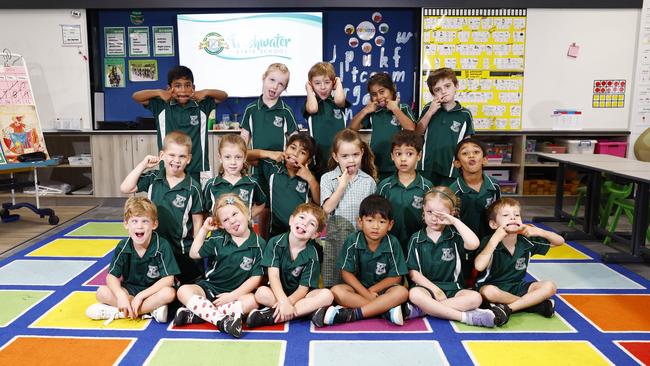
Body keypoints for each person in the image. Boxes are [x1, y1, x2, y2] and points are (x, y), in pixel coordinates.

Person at [173, 194, 265, 338]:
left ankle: (199, 314)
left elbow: (256, 278)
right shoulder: (218, 238)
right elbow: (194, 253)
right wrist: (204, 229)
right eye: (226, 220)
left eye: (235, 214)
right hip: (210, 288)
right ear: (221, 225)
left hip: (237, 293)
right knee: (183, 291)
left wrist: (232, 296)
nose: (232, 220)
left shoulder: (260, 245)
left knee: (252, 302)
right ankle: (222, 321)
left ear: (246, 213)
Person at [403, 187, 495, 328]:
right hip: (427, 289)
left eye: (441, 214)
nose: (434, 218)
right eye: (429, 212)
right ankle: (465, 317)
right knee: (414, 294)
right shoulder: (416, 238)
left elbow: (474, 243)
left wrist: (454, 221)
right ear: (423, 210)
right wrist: (436, 290)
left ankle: (422, 310)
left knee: (475, 298)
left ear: (452, 214)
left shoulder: (455, 236)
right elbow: (413, 273)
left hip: (454, 289)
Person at [120, 131, 204, 284]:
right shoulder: (153, 178)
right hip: (154, 247)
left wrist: (196, 248)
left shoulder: (193, 187)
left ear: (189, 159)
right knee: (154, 284)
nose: (176, 161)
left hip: (182, 250)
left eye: (182, 156)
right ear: (162, 155)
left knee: (190, 286)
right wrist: (143, 165)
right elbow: (126, 187)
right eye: (171, 155)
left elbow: (197, 221)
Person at [315, 195, 409, 326]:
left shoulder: (392, 243)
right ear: (360, 222)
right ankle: (384, 311)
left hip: (383, 291)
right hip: (358, 290)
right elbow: (346, 273)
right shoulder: (353, 240)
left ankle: (354, 314)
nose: (375, 226)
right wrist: (365, 293)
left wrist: (372, 291)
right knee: (336, 291)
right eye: (370, 220)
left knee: (402, 292)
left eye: (382, 222)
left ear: (390, 225)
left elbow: (396, 277)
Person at [86, 197, 178, 324]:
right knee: (101, 292)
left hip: (152, 292)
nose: (139, 226)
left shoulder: (162, 246)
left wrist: (141, 296)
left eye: (145, 221)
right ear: (126, 224)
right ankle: (149, 310)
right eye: (134, 221)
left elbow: (168, 279)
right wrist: (120, 295)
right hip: (129, 290)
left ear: (154, 224)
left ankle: (120, 312)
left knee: (169, 293)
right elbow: (111, 276)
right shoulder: (123, 246)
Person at [475, 198, 565, 326]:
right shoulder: (489, 241)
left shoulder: (526, 241)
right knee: (488, 292)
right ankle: (534, 305)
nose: (512, 218)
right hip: (494, 288)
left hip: (518, 287)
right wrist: (495, 240)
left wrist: (540, 231)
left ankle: (509, 308)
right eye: (506, 215)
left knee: (550, 286)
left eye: (516, 215)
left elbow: (559, 242)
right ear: (494, 224)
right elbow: (479, 266)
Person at [132, 65, 227, 184]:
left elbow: (223, 96)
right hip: (169, 165)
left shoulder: (202, 105)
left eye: (187, 85)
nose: (183, 90)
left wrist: (205, 92)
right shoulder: (162, 105)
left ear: (193, 88)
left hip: (196, 166)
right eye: (177, 86)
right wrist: (159, 93)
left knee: (195, 199)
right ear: (169, 88)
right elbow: (136, 97)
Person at [247, 203, 333, 328]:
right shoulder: (275, 242)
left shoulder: (312, 253)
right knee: (260, 293)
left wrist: (288, 303)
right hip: (276, 293)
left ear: (315, 235)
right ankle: (306, 313)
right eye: (302, 217)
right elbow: (274, 277)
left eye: (312, 223)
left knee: (328, 295)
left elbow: (303, 289)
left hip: (300, 297)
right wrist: (283, 301)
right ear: (291, 220)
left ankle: (271, 316)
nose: (304, 224)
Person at [240, 63, 299, 193]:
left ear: (284, 88)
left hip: (279, 169)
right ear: (264, 78)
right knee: (260, 206)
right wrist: (245, 160)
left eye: (281, 84)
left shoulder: (286, 111)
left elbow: (296, 141)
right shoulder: (251, 109)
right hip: (257, 168)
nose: (275, 86)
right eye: (272, 80)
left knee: (277, 205)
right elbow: (242, 142)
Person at [450, 138, 501, 286]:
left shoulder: (494, 186)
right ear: (457, 163)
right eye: (465, 153)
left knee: (487, 279)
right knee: (466, 282)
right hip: (463, 245)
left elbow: (498, 214)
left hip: (488, 242)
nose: (471, 156)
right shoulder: (453, 191)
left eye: (476, 152)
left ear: (484, 160)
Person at [248, 132, 320, 237]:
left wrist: (311, 179)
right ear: (286, 148)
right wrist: (269, 154)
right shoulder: (273, 167)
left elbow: (318, 201)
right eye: (293, 148)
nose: (295, 154)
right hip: (275, 234)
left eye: (302, 153)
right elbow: (243, 156)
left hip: (300, 234)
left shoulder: (310, 176)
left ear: (308, 161)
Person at [349, 72, 417, 181]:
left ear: (392, 90)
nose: (379, 97)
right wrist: (365, 110)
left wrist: (395, 109)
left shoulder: (402, 108)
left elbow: (411, 128)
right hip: (376, 164)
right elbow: (351, 129)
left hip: (397, 164)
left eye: (382, 92)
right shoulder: (373, 112)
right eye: (374, 94)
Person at [415, 67, 474, 186]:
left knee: (447, 201)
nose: (443, 91)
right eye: (437, 89)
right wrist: (430, 112)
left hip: (451, 169)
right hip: (427, 166)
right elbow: (417, 133)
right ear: (433, 93)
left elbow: (467, 143)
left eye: (447, 86)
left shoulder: (465, 114)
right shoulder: (428, 108)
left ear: (456, 86)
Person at [377, 130, 432, 250]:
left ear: (419, 156)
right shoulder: (384, 186)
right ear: (392, 156)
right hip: (389, 245)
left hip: (419, 246)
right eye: (398, 154)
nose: (403, 159)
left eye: (409, 154)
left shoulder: (427, 187)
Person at [321, 128, 377, 228]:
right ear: (336, 157)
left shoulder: (368, 181)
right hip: (336, 238)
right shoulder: (327, 178)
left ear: (362, 152)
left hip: (360, 238)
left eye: (355, 154)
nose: (351, 160)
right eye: (345, 156)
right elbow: (327, 209)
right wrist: (342, 187)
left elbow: (371, 213)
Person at [303, 62, 350, 178]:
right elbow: (313, 109)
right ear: (311, 84)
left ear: (333, 83)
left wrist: (338, 83)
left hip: (339, 157)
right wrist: (309, 89)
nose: (322, 87)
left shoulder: (337, 102)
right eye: (317, 83)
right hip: (319, 158)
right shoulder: (311, 103)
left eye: (327, 82)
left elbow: (339, 100)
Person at [203, 134, 266, 219]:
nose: (233, 162)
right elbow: (203, 211)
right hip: (219, 232)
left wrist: (248, 217)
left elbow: (261, 204)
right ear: (220, 158)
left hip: (244, 232)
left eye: (238, 157)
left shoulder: (252, 183)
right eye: (227, 157)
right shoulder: (211, 184)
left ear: (244, 158)